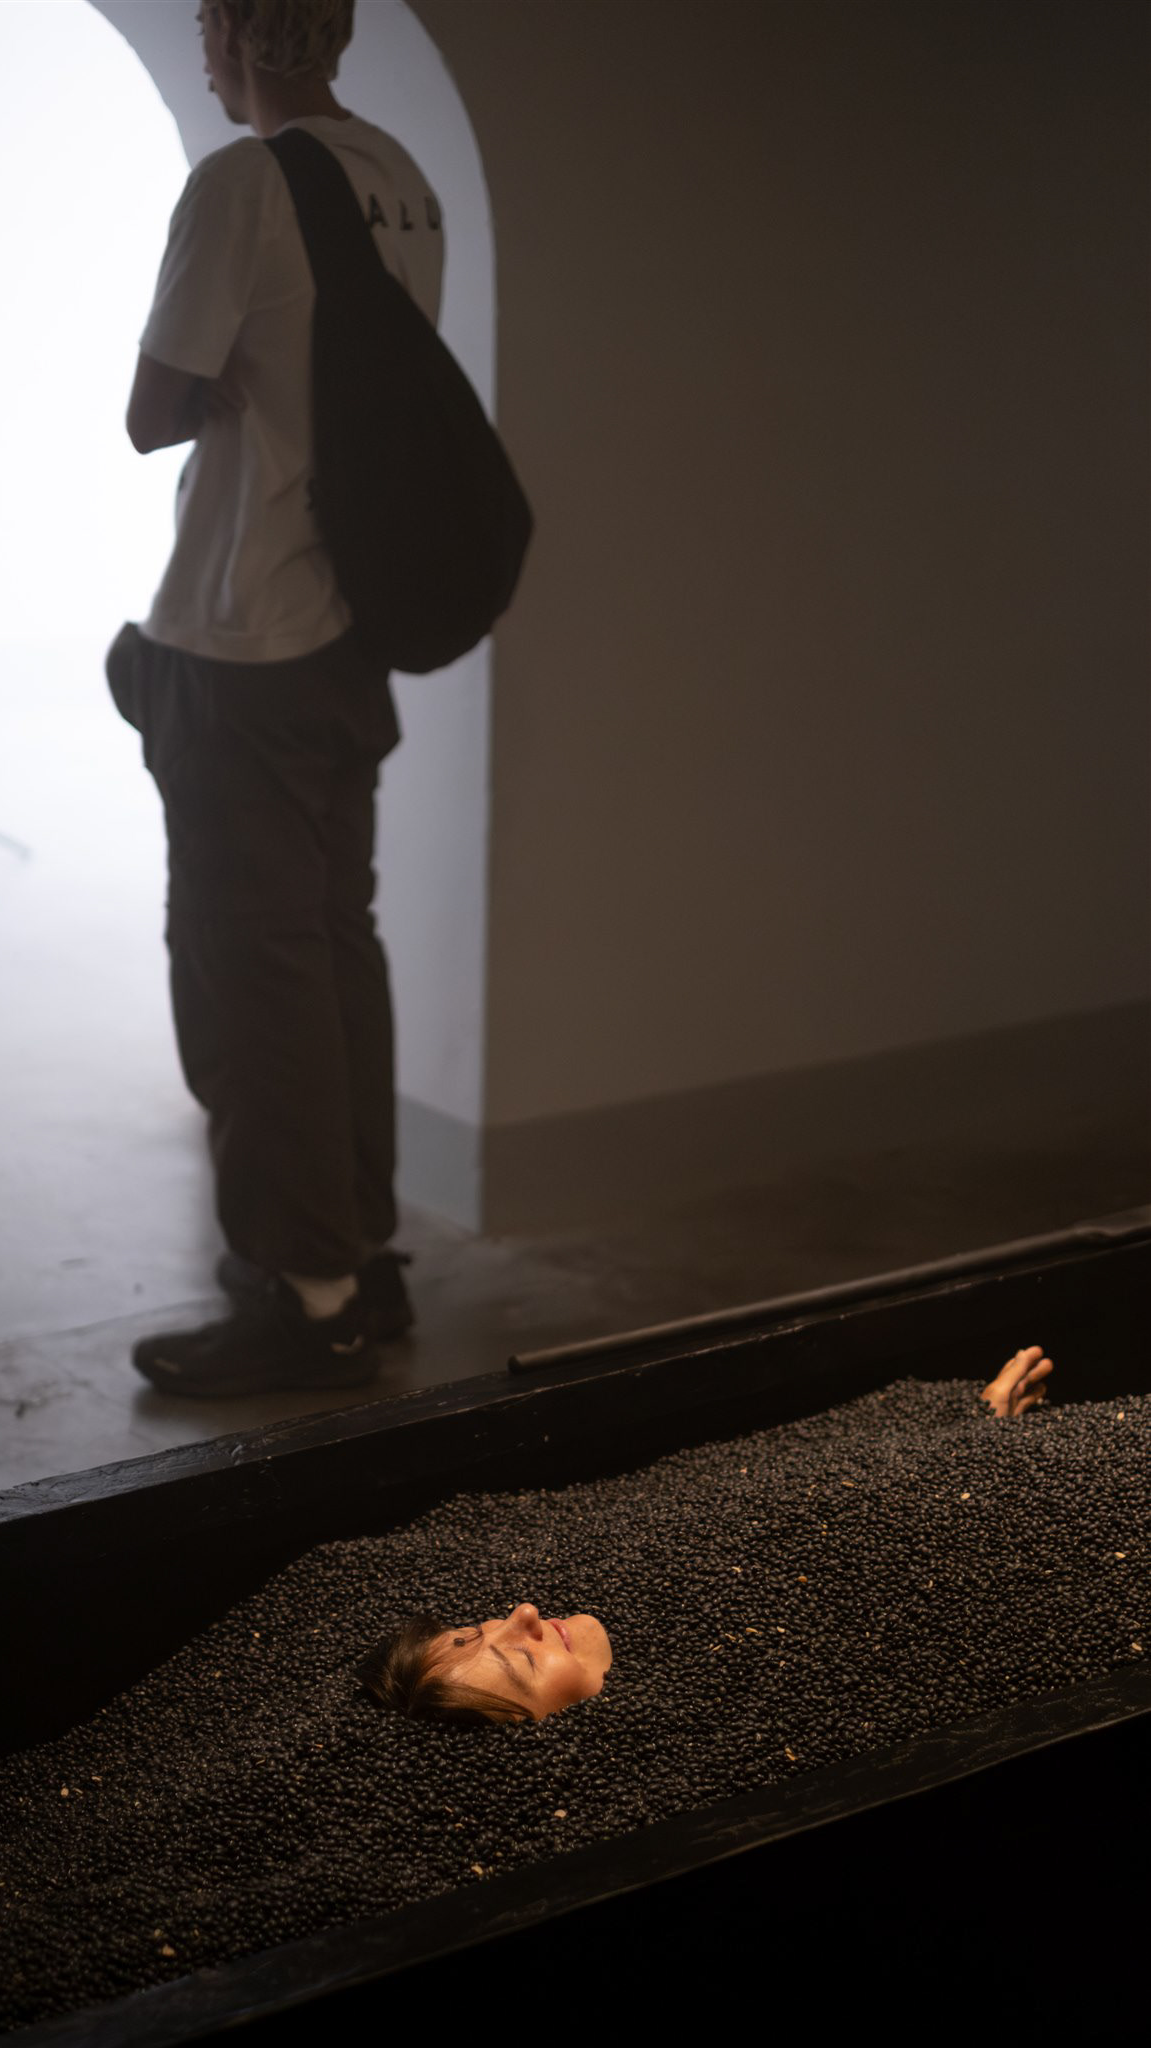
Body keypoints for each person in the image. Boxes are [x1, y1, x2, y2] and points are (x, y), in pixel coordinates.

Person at [105, 1, 442, 1398]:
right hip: (344, 633)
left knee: (253, 975)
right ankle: (360, 1257)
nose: (201, 41)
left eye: (207, 16)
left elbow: (151, 411)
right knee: (333, 948)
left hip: (244, 641)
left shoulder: (243, 183)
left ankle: (305, 1301)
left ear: (242, 29)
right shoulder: (401, 180)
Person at [356, 1345, 1056, 1724]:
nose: (523, 1613)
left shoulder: (621, 1552)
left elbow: (796, 1488)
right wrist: (974, 1451)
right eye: (522, 1662)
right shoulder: (758, 1699)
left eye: (476, 1629)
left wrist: (958, 1433)